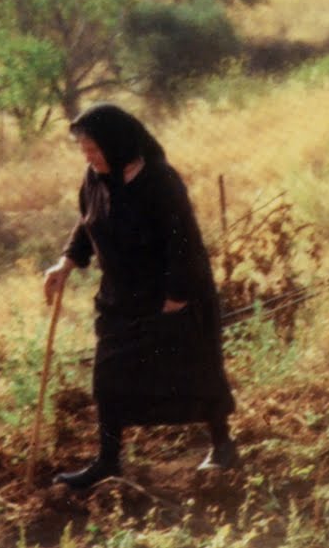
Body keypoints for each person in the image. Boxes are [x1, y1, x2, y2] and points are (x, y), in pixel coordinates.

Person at [41, 103, 238, 490]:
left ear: (116, 145)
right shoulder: (97, 177)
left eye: (94, 149)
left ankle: (223, 445)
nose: (89, 157)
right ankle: (108, 460)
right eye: (85, 151)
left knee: (196, 371)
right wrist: (66, 262)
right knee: (109, 378)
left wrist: (177, 297)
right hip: (121, 298)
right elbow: (88, 222)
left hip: (172, 295)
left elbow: (184, 243)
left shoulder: (160, 180)